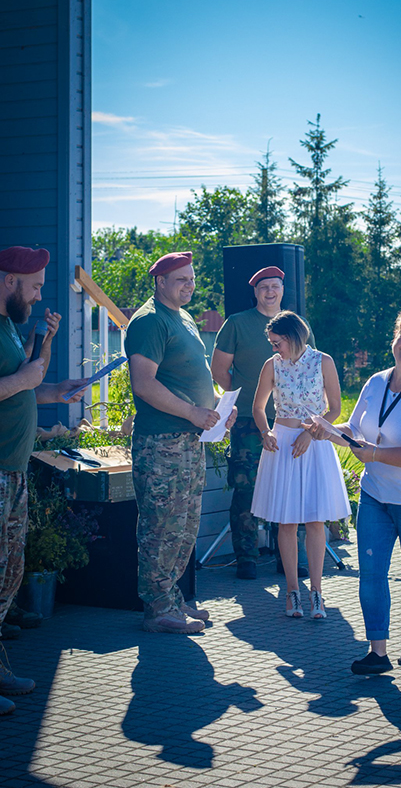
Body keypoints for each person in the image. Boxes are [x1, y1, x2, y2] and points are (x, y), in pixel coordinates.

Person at [308, 304, 401, 673]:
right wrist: (328, 430)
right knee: (371, 573)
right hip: (375, 495)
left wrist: (375, 454)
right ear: (395, 338)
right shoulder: (375, 382)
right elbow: (356, 431)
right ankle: (378, 653)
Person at [125, 252, 237, 636]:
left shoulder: (183, 317)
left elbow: (189, 379)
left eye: (191, 278)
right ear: (160, 282)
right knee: (161, 526)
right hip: (162, 443)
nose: (189, 285)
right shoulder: (150, 321)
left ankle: (172, 598)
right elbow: (144, 383)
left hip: (189, 440)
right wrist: (192, 412)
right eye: (181, 280)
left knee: (184, 525)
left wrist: (218, 410)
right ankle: (157, 608)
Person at [0, 246, 88, 716]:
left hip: (13, 471)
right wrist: (24, 380)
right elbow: (15, 383)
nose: (37, 297)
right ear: (9, 281)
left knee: (9, 575)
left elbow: (25, 384)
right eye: (33, 287)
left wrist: (56, 389)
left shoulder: (10, 329)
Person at [212, 266, 314, 580]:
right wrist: (241, 398)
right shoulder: (237, 323)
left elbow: (311, 369)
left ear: (283, 290)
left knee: (290, 488)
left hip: (291, 423)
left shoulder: (297, 325)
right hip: (247, 420)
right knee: (246, 487)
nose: (270, 292)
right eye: (264, 287)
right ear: (255, 292)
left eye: (275, 286)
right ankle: (247, 558)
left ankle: (288, 559)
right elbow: (219, 370)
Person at [251, 311, 350, 619]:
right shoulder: (271, 365)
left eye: (277, 342)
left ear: (293, 338)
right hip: (282, 444)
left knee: (315, 520)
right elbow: (258, 407)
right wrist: (265, 432)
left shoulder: (323, 361)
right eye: (272, 343)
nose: (274, 348)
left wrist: (311, 433)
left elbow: (335, 409)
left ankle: (316, 592)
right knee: (287, 522)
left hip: (314, 444)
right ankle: (292, 591)